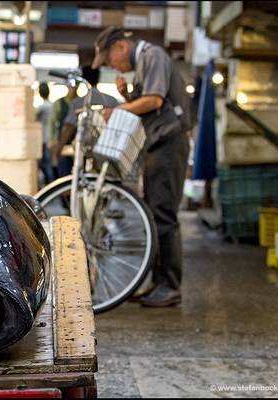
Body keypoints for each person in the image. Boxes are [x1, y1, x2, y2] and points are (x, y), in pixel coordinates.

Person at [92, 26, 192, 307]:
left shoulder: (153, 54)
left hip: (169, 144)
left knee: (163, 214)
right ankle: (158, 283)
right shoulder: (144, 63)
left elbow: (155, 100)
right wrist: (127, 97)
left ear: (121, 47)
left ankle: (170, 285)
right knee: (154, 211)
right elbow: (148, 103)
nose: (113, 67)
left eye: (111, 60)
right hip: (157, 145)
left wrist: (119, 109)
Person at [50, 65, 119, 178]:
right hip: (108, 150)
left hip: (84, 152)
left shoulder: (79, 102)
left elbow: (69, 127)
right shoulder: (112, 100)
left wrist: (58, 149)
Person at [35, 82, 55, 185]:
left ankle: (48, 185)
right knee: (48, 164)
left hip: (43, 139)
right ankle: (50, 184)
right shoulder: (52, 106)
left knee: (45, 164)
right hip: (50, 138)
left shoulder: (42, 107)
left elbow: (33, 118)